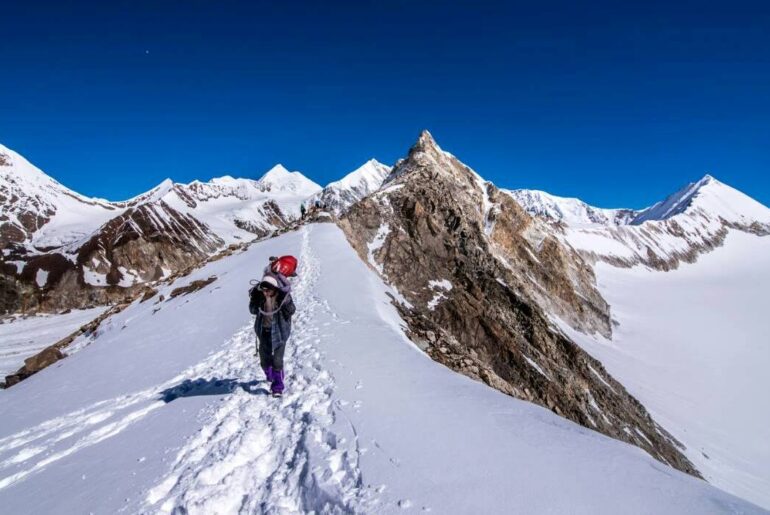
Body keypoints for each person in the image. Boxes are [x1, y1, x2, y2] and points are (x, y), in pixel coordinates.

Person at [249, 270, 295, 397]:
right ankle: (271, 375)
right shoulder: (259, 297)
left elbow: (291, 311)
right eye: (263, 289)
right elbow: (252, 311)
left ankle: (277, 386)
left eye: (268, 290)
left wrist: (286, 301)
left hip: (280, 333)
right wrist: (255, 298)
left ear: (275, 289)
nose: (266, 292)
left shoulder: (282, 297)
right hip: (263, 333)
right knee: (264, 361)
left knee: (277, 361)